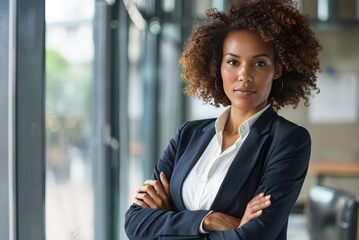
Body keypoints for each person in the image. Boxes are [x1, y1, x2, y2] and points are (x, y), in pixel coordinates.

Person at [125, 0, 321, 239]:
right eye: (233, 62)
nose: (244, 75)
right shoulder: (187, 135)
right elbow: (135, 223)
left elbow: (255, 236)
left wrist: (168, 220)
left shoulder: (288, 140)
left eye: (259, 63)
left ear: (277, 69)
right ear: (217, 66)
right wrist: (210, 220)